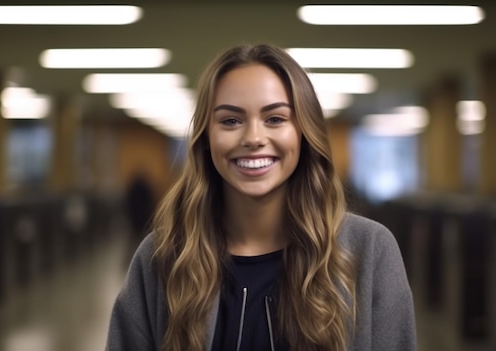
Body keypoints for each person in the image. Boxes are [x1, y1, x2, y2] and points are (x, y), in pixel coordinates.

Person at [106, 44, 416, 351]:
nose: (253, 138)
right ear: (206, 138)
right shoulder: (162, 258)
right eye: (230, 120)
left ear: (303, 133)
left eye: (275, 119)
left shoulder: (370, 250)